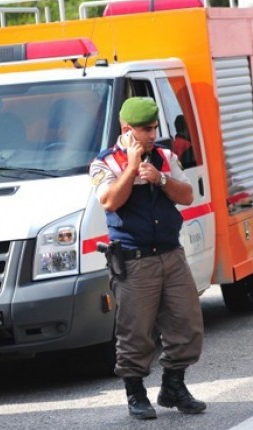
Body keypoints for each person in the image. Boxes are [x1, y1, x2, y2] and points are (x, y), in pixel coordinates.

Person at [89, 97, 206, 420]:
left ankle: (173, 385)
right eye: (145, 129)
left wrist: (161, 178)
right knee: (136, 331)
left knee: (188, 325)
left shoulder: (166, 157)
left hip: (170, 253)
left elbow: (187, 195)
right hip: (134, 260)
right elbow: (110, 201)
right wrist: (131, 166)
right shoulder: (104, 163)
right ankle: (136, 393)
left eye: (154, 128)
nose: (152, 134)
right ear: (127, 130)